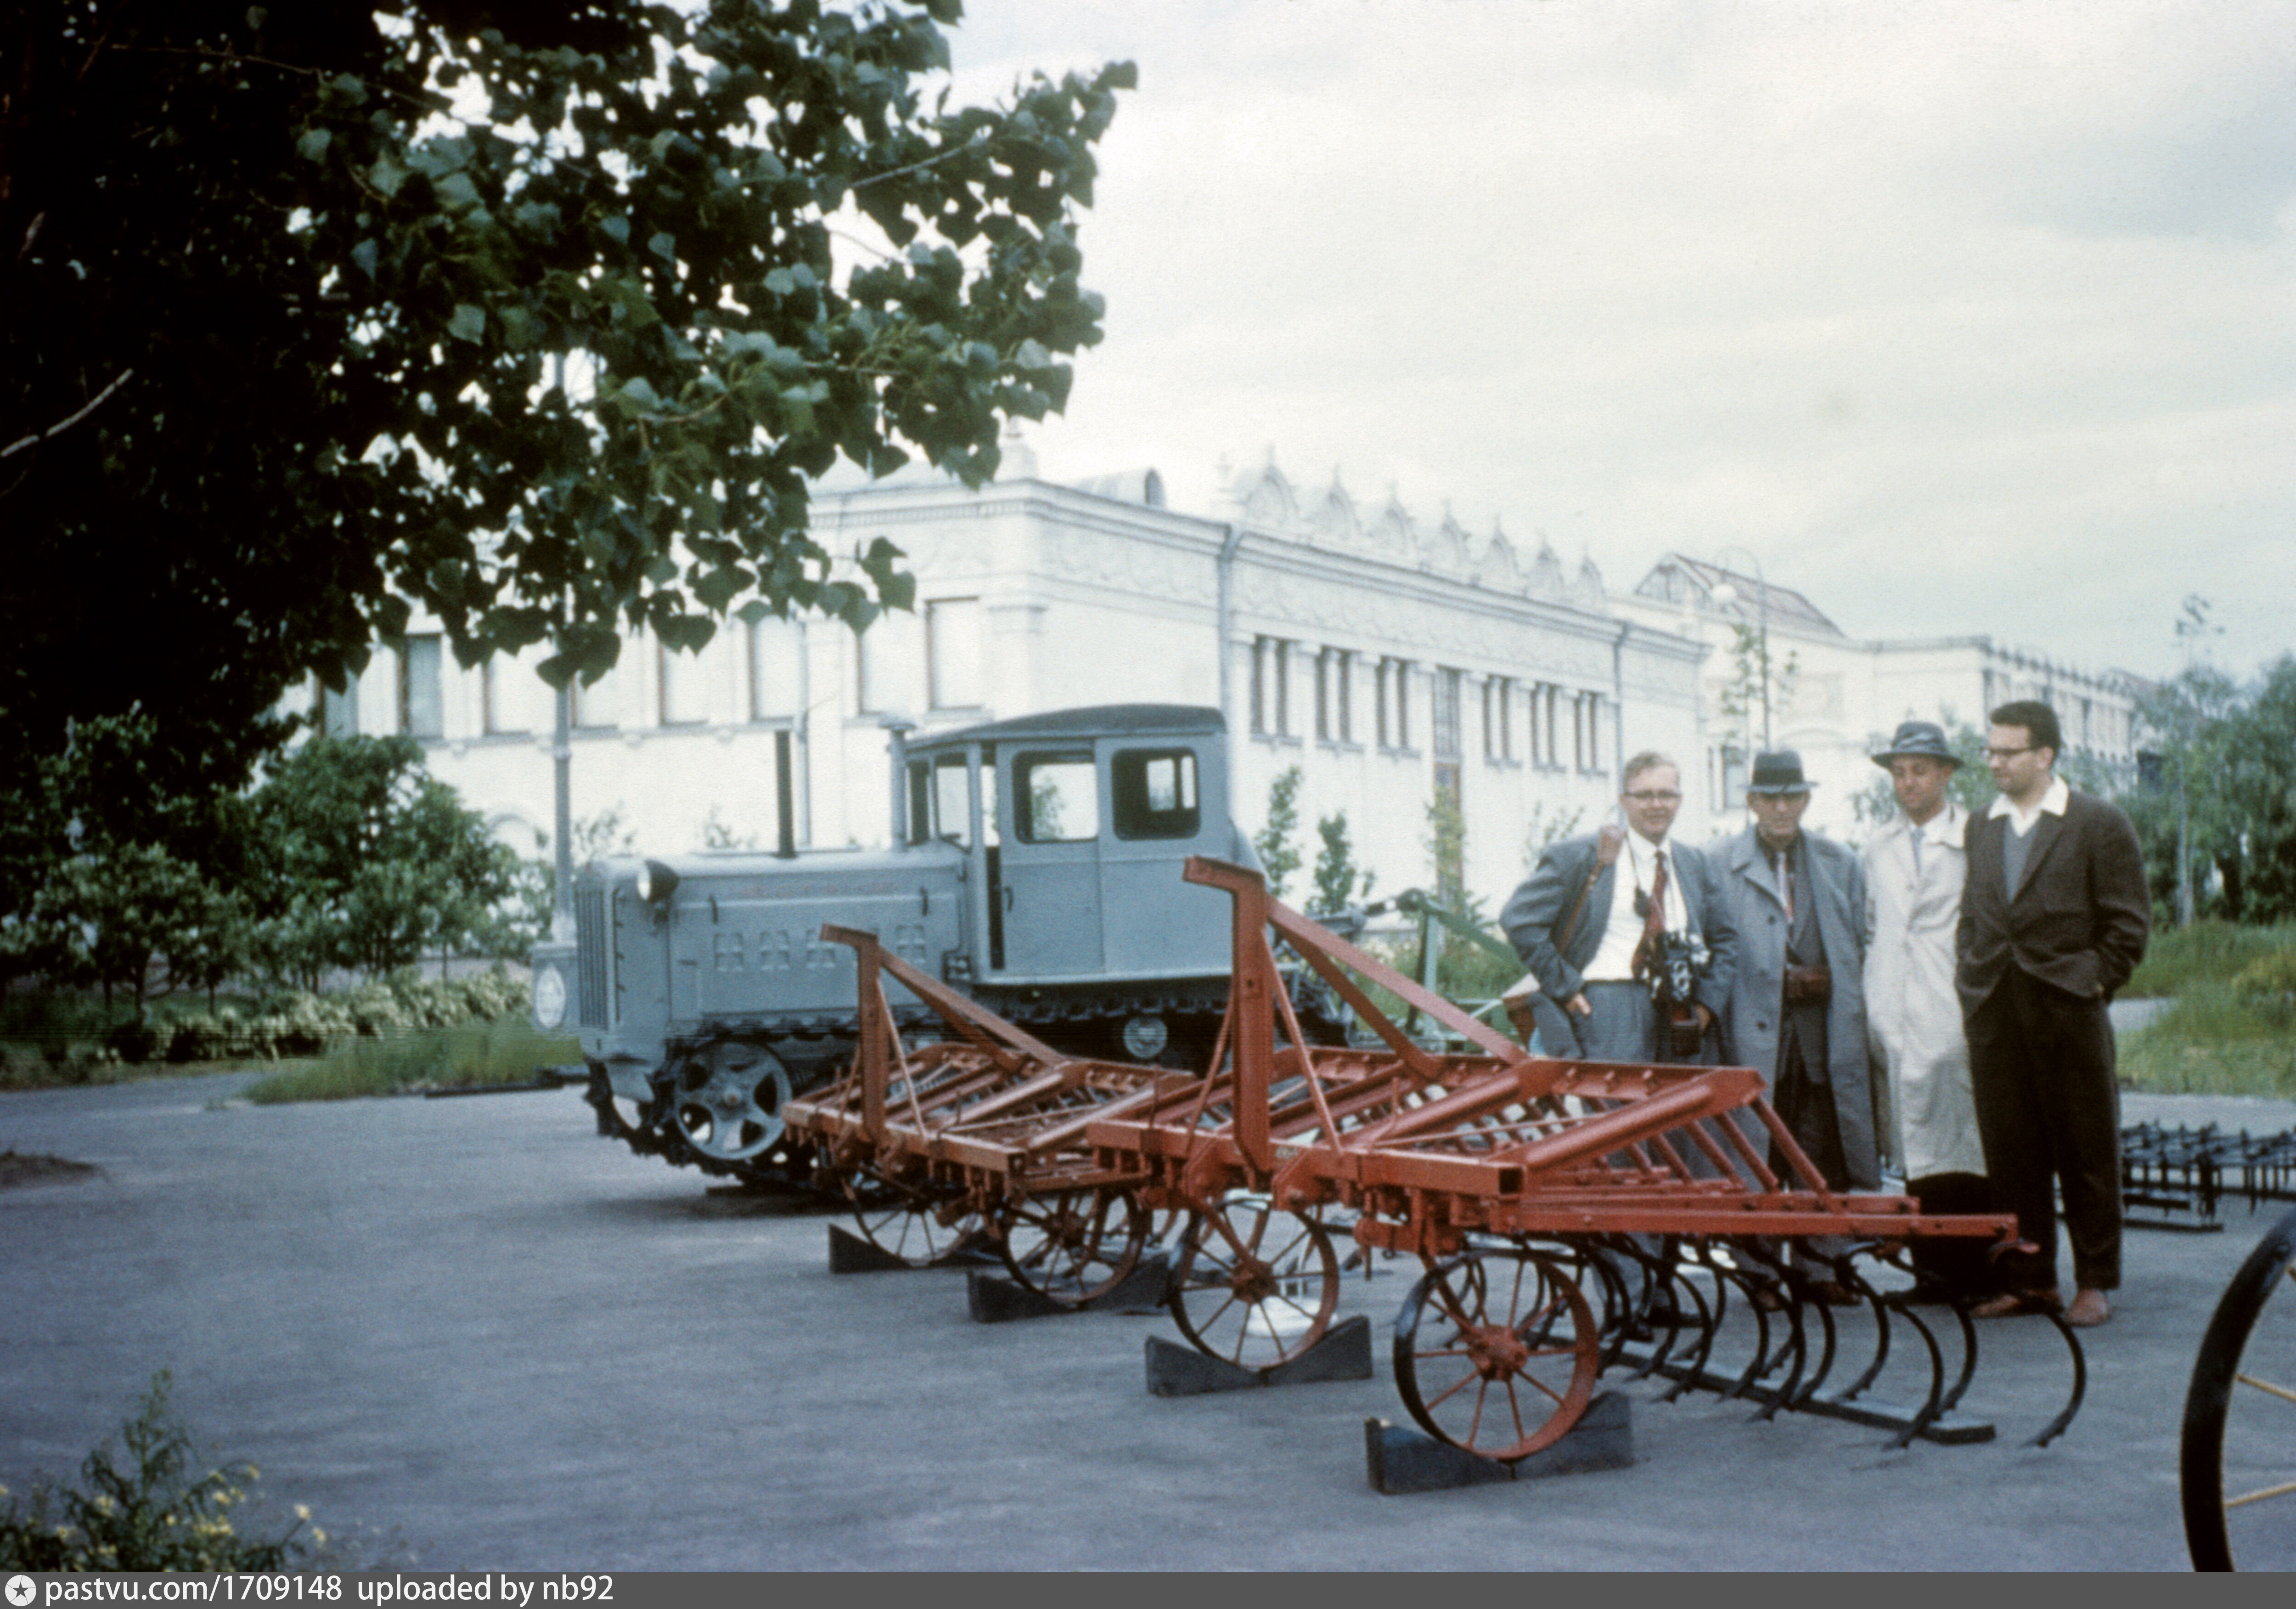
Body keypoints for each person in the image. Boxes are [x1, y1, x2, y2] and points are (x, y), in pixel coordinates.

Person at [1957, 700, 2150, 1328]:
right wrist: (1973, 979)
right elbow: (1973, 915)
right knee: (2012, 1153)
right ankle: (2030, 1280)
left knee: (2087, 1148)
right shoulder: (1982, 825)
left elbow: (2128, 923)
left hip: (2068, 1010)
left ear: (2045, 755)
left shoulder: (2097, 821)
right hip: (1996, 1010)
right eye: (1991, 751)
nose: (1995, 763)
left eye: (2008, 752)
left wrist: (2093, 983)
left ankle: (2095, 1281)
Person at [1712, 751, 1879, 1299]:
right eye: (1768, 798)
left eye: (1791, 797)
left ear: (1806, 800)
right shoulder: (1718, 864)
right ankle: (1758, 1270)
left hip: (1820, 1035)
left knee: (1818, 1150)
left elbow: (1859, 943)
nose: (1780, 808)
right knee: (1756, 1153)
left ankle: (1818, 1267)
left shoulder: (1839, 862)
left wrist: (1829, 982)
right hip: (1749, 1036)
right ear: (1751, 802)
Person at [1861, 720, 1989, 1298]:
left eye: (1918, 771)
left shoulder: (1973, 837)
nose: (1907, 783)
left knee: (1964, 1137)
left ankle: (1976, 1268)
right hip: (1893, 1007)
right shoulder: (1877, 846)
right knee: (1914, 1141)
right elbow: (1872, 924)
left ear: (1944, 774)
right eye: (1898, 773)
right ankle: (1932, 1271)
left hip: (1951, 1001)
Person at [1500, 751, 1735, 1063]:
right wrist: (1566, 988)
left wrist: (1707, 1005)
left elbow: (1726, 940)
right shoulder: (1582, 856)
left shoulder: (1694, 862)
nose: (1656, 804)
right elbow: (1518, 920)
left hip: (1681, 1007)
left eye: (1666, 794)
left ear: (1680, 800)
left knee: (1680, 1107)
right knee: (1618, 1107)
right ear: (1624, 801)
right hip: (1610, 1007)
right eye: (1644, 795)